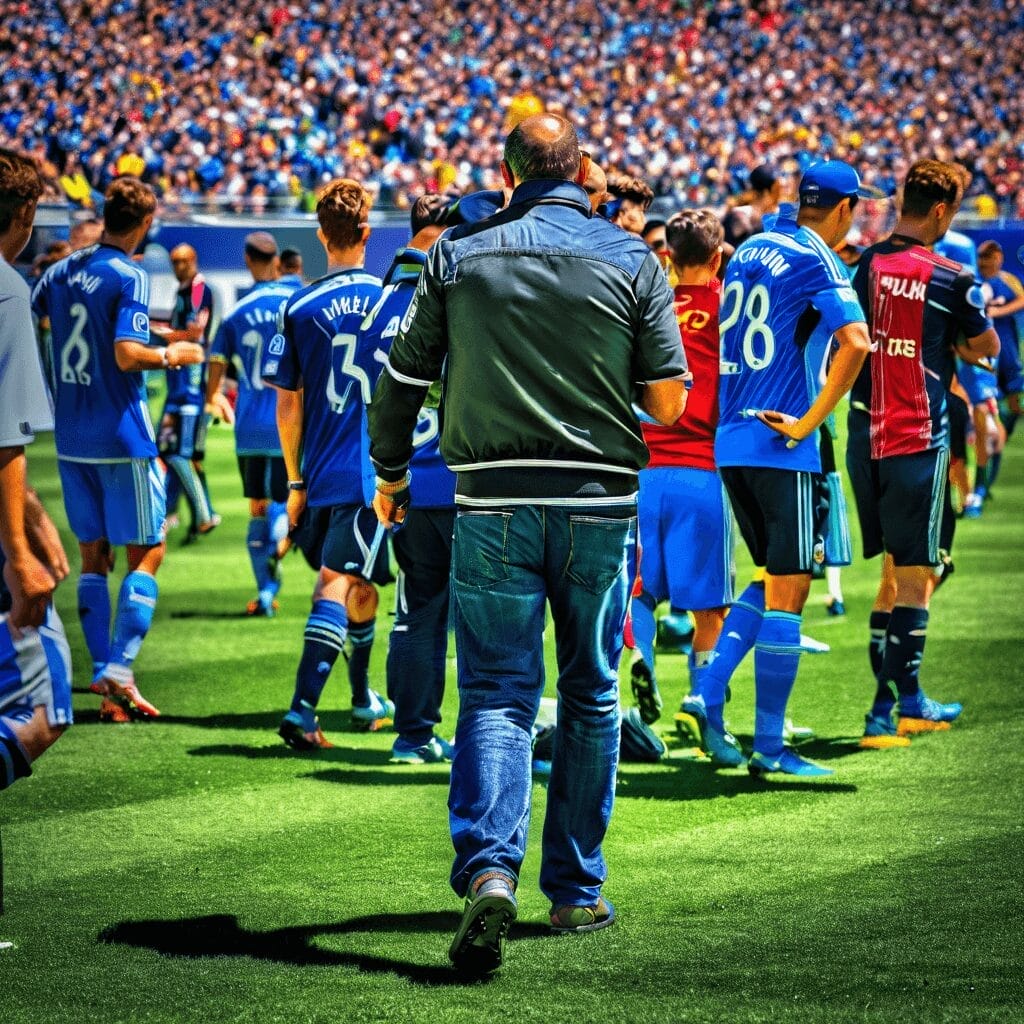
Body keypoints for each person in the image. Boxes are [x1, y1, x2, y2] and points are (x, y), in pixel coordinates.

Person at [368, 113, 687, 975]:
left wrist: (391, 474)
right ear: (585, 171)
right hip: (598, 503)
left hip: (491, 500)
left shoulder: (458, 253)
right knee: (589, 692)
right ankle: (576, 892)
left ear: (506, 176)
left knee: (500, 693)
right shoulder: (633, 258)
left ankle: (489, 871)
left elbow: (401, 382)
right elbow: (665, 404)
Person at [701, 159, 872, 777]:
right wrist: (807, 423)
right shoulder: (815, 255)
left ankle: (707, 688)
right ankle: (770, 747)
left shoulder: (746, 249)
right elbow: (856, 342)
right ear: (847, 207)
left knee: (774, 575)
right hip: (783, 441)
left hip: (732, 438)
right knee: (792, 588)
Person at [32, 177, 205, 721]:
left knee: (92, 556)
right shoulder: (129, 272)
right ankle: (121, 666)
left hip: (71, 435)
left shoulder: (59, 271)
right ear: (147, 225)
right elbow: (128, 354)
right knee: (148, 549)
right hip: (122, 436)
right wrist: (174, 353)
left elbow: (44, 318)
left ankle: (104, 676)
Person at [847, 159, 999, 748]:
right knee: (917, 576)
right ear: (941, 211)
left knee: (893, 572)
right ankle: (887, 711)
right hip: (917, 438)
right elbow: (984, 344)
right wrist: (966, 344)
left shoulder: (865, 267)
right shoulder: (950, 275)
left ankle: (906, 699)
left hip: (864, 435)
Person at [263, 178, 390, 749]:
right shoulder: (390, 299)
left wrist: (295, 479)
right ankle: (302, 709)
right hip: (373, 473)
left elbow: (287, 403)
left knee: (363, 582)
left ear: (320, 236)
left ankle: (363, 699)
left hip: (322, 470)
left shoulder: (298, 304)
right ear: (366, 233)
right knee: (337, 581)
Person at [627, 209, 740, 765]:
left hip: (644, 473)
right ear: (718, 257)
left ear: (666, 256)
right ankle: (708, 716)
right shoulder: (728, 310)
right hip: (702, 471)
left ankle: (640, 659)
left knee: (642, 591)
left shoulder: (649, 307)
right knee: (710, 611)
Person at [357, 195, 457, 765]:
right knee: (482, 616)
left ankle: (412, 734)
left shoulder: (378, 304)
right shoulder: (445, 298)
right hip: (455, 479)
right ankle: (484, 738)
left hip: (399, 480)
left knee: (415, 609)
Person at [0, 148, 72, 789]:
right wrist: (21, 552)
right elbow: (3, 441)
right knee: (46, 707)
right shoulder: (7, 290)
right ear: (25, 213)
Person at [207, 233, 299, 617]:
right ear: (277, 262)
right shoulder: (292, 307)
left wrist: (213, 397)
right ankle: (282, 542)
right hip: (285, 424)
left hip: (248, 427)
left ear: (248, 261)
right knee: (283, 501)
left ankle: (264, 593)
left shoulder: (235, 313)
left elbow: (216, 364)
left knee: (257, 507)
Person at [155, 243, 219, 541]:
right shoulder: (182, 291)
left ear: (193, 260)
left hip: (191, 390)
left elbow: (195, 333)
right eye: (174, 261)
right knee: (168, 450)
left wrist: (163, 333)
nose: (177, 266)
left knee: (180, 454)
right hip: (176, 390)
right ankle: (175, 513)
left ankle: (203, 514)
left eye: (182, 261)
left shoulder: (197, 288)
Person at [722, 164, 782, 248]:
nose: (781, 193)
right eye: (778, 189)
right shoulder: (740, 217)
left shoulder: (778, 215)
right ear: (766, 193)